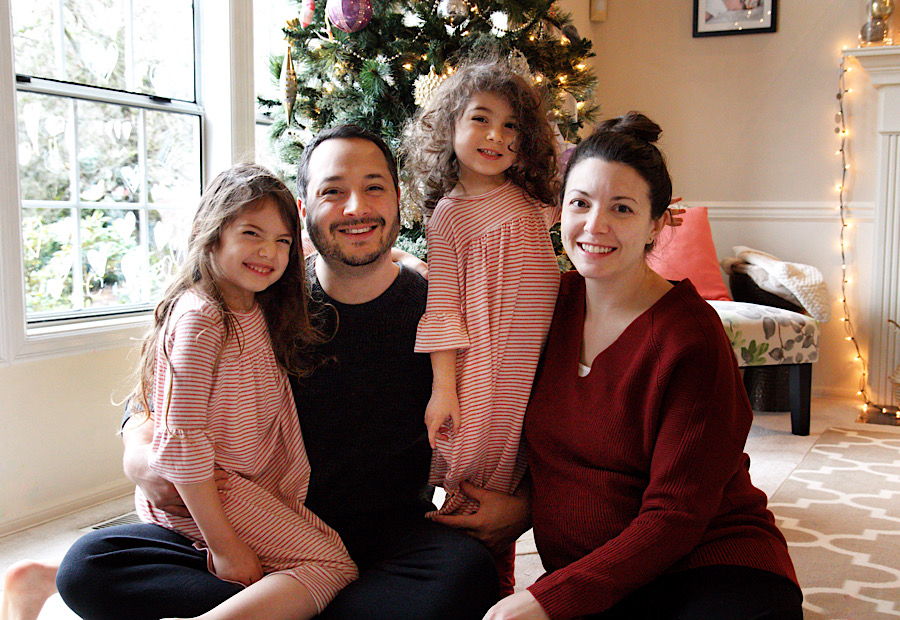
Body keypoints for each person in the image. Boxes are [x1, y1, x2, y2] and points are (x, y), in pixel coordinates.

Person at [49, 126, 499, 620]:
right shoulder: (262, 294)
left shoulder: (438, 310)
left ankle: (288, 604)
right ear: (304, 212)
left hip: (389, 538)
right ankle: (300, 602)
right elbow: (163, 388)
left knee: (469, 571)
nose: (356, 208)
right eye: (333, 191)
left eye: (374, 187)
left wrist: (519, 501)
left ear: (397, 200)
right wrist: (138, 446)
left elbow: (503, 398)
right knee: (89, 564)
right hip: (257, 524)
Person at [481, 112, 803, 620]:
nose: (595, 225)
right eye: (580, 203)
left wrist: (549, 599)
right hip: (602, 574)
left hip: (709, 565)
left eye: (622, 208)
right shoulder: (547, 306)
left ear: (657, 223)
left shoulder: (690, 337)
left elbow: (677, 514)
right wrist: (518, 507)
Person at [141, 163, 358, 620]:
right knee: (331, 565)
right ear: (210, 233)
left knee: (318, 556)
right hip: (214, 492)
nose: (268, 252)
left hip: (247, 487)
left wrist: (405, 260)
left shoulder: (253, 306)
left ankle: (43, 576)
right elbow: (183, 440)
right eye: (251, 234)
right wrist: (224, 546)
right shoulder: (202, 318)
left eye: (282, 241)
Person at [401, 58, 561, 593]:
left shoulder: (533, 200)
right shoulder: (449, 214)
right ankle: (475, 586)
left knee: (518, 474)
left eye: (511, 125)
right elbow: (443, 304)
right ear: (450, 126)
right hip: (482, 367)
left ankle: (498, 582)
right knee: (473, 472)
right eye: (480, 119)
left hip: (533, 363)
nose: (496, 135)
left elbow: (588, 199)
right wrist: (443, 388)